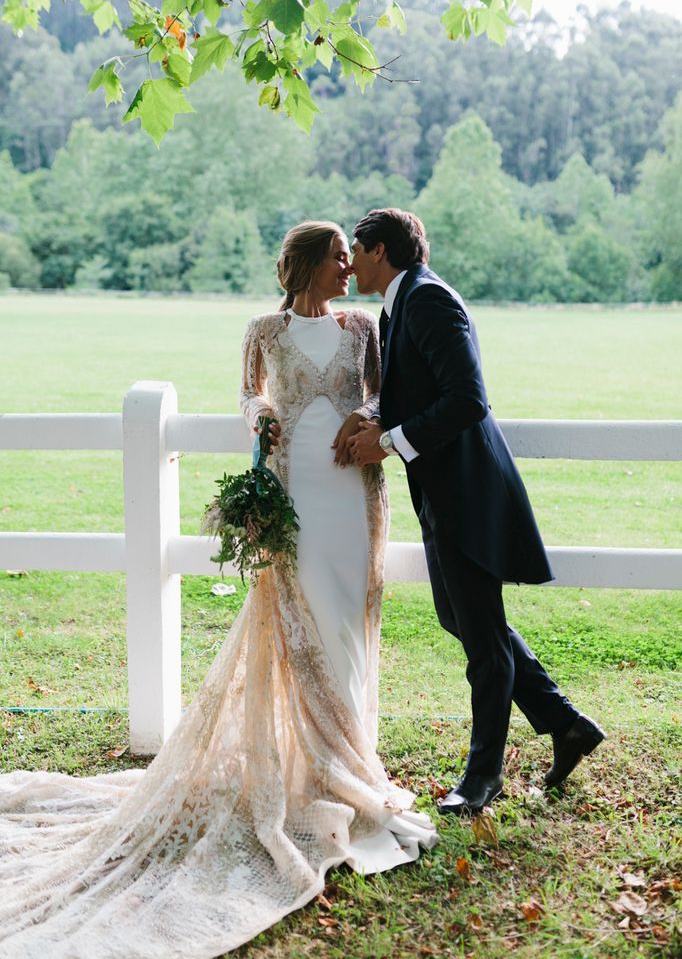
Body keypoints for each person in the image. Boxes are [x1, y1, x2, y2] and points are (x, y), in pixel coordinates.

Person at [0, 221, 436, 959]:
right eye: (334, 257)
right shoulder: (263, 329)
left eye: (347, 256)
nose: (345, 266)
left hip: (352, 497)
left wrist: (367, 416)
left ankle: (350, 760)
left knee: (349, 628)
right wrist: (261, 418)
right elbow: (246, 397)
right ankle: (305, 773)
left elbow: (386, 395)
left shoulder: (365, 327)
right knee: (303, 628)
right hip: (292, 492)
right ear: (304, 265)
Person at [348, 208, 605, 815]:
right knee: (460, 618)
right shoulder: (402, 301)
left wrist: (387, 442)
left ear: (380, 251)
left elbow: (467, 398)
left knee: (483, 643)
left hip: (467, 492)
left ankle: (483, 778)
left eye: (355, 250)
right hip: (442, 490)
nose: (350, 262)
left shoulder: (431, 301)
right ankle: (565, 723)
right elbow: (419, 386)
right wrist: (378, 417)